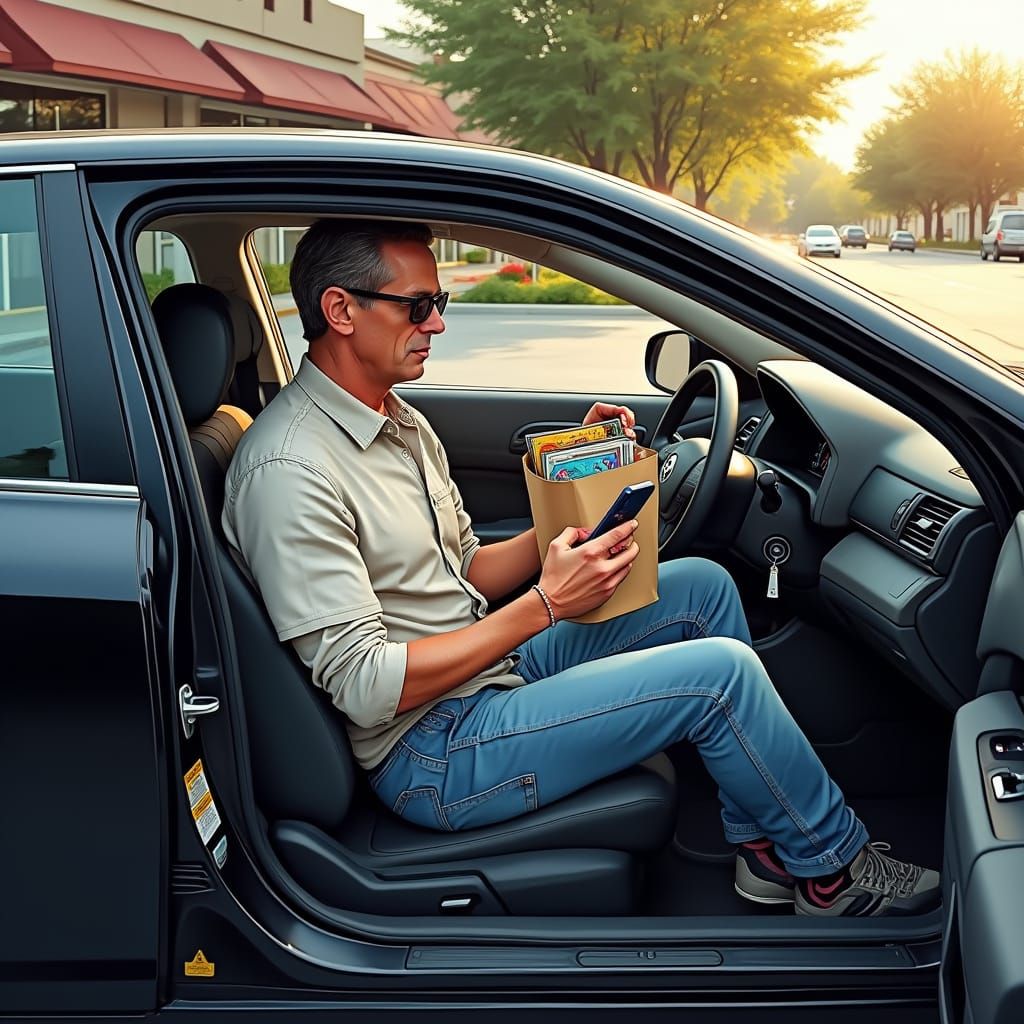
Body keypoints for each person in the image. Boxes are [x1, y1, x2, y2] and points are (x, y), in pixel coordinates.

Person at [223, 218, 941, 918]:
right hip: (434, 752)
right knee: (718, 675)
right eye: (418, 306)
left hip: (484, 674)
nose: (437, 323)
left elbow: (465, 570)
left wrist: (580, 477)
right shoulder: (291, 470)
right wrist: (546, 604)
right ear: (341, 310)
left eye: (437, 302)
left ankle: (766, 848)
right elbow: (364, 687)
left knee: (703, 588)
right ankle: (834, 870)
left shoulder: (397, 420)